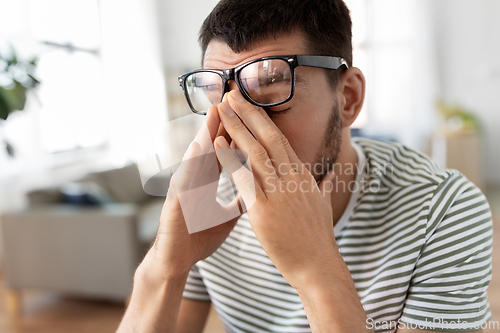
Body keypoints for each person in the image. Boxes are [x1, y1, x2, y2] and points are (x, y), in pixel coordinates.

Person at [117, 0, 493, 332]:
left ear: (348, 98)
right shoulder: (209, 198)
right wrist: (163, 269)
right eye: (218, 97)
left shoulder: (444, 210)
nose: (237, 127)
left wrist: (316, 271)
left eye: (271, 90)